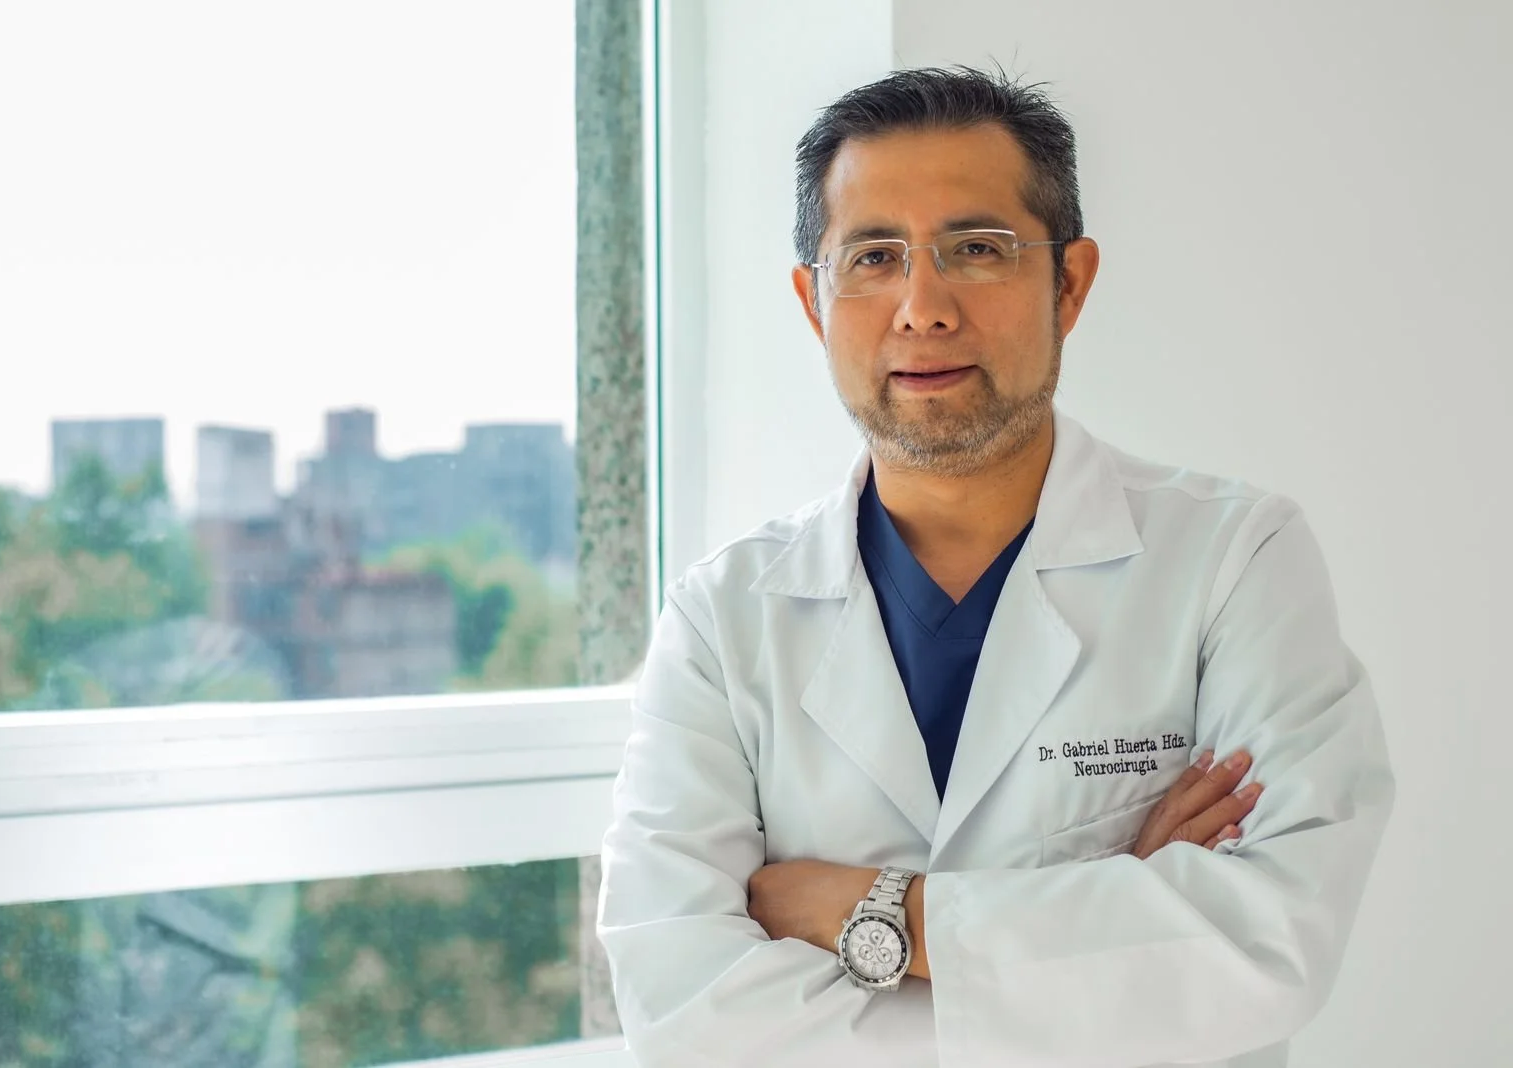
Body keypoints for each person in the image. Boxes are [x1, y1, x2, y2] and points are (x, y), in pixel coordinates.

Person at [596, 66, 1394, 1067]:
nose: (921, 307)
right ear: (813, 301)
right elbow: (686, 1011)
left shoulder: (1234, 561)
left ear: (1068, 280)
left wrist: (877, 916)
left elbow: (1264, 947)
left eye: (976, 249)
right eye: (873, 256)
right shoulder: (720, 620)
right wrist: (1110, 926)